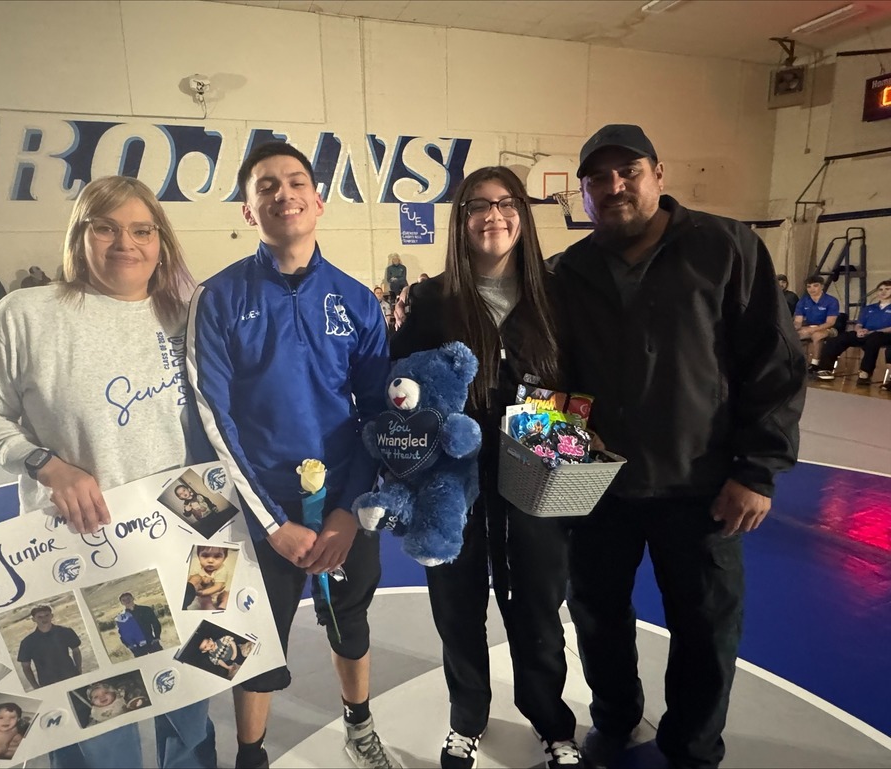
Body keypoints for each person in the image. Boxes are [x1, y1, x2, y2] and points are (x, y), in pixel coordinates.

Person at [552, 124, 805, 769]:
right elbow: (545, 382)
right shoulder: (567, 272)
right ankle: (612, 718)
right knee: (596, 616)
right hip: (595, 484)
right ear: (581, 192)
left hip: (706, 486)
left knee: (706, 628)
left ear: (658, 175)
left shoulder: (726, 246)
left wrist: (758, 469)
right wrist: (559, 465)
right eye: (598, 178)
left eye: (627, 172)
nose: (614, 187)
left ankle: (692, 750)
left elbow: (773, 364)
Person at [0, 174, 216, 769]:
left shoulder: (188, 315)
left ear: (161, 240)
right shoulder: (24, 315)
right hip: (72, 547)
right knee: (96, 721)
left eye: (141, 229)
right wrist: (47, 465)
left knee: (192, 707)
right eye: (106, 227)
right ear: (80, 235)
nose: (126, 242)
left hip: (183, 543)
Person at [188, 141, 398, 769]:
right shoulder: (218, 297)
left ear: (319, 200)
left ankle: (358, 724)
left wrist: (348, 511)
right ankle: (250, 756)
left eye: (296, 181)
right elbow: (210, 418)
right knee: (247, 639)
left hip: (340, 506)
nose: (284, 194)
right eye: (266, 187)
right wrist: (271, 524)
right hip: (253, 512)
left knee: (350, 620)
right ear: (249, 211)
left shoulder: (359, 300)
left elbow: (377, 417)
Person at [391, 166, 583, 769]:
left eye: (506, 204)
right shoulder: (430, 300)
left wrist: (571, 457)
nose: (492, 215)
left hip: (540, 467)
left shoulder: (558, 297)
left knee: (539, 601)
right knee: (457, 601)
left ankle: (552, 722)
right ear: (461, 219)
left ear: (523, 216)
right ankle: (467, 717)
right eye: (478, 205)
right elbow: (404, 392)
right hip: (455, 475)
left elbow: (582, 386)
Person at [815, 279, 891, 385]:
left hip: (884, 334)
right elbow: (859, 323)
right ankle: (825, 369)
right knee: (840, 338)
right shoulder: (869, 308)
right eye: (880, 289)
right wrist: (858, 330)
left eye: (887, 289)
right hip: (865, 333)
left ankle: (865, 373)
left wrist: (872, 331)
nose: (883, 292)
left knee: (874, 340)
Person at [17, 604, 82, 689]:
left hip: (71, 676)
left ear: (52, 616)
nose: (44, 619)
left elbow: (76, 651)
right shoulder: (27, 642)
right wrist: (35, 686)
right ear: (34, 619)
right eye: (39, 617)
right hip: (48, 683)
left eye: (47, 615)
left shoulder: (66, 632)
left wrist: (79, 669)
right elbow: (26, 666)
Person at [794, 275, 840, 371]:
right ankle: (795, 362)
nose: (812, 289)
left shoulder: (831, 301)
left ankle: (815, 363)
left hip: (828, 328)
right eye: (809, 286)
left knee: (817, 335)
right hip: (809, 327)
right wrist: (794, 328)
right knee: (791, 335)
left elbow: (830, 322)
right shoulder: (803, 301)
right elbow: (798, 321)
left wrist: (813, 329)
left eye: (815, 286)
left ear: (822, 286)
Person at [117, 591, 163, 657]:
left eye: (128, 598)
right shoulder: (122, 617)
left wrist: (157, 637)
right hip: (137, 648)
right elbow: (122, 634)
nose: (127, 601)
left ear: (133, 598)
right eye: (124, 600)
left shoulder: (145, 610)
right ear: (121, 603)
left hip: (151, 642)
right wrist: (129, 646)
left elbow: (155, 623)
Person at [187, 546, 230, 610]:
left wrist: (202, 593)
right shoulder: (197, 567)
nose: (210, 560)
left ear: (224, 558)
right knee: (205, 601)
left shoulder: (222, 569)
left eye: (217, 556)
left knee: (227, 595)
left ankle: (222, 607)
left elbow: (218, 586)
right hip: (204, 595)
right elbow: (191, 581)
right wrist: (201, 580)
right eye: (205, 555)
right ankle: (211, 611)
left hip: (218, 592)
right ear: (198, 556)